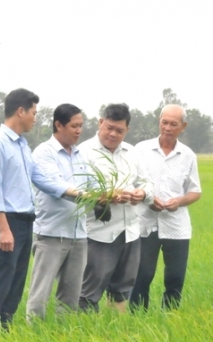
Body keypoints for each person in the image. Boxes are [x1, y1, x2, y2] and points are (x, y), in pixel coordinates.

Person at [0, 89, 83, 328]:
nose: (36, 118)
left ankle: (5, 329)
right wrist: (3, 229)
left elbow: (40, 178)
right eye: (34, 112)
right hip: (7, 222)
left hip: (25, 222)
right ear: (20, 111)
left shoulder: (22, 145)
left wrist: (81, 195)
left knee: (15, 282)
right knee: (1, 280)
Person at [78, 103, 154, 313]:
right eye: (109, 127)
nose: (113, 134)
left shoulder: (131, 152)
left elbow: (147, 183)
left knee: (121, 289)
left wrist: (142, 194)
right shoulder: (83, 152)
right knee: (88, 291)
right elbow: (75, 191)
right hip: (98, 233)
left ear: (127, 130)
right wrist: (107, 196)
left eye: (119, 131)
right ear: (100, 123)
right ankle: (85, 332)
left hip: (129, 232)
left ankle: (115, 331)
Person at [129, 104, 202, 311]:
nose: (167, 128)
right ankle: (137, 319)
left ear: (183, 126)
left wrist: (178, 201)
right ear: (159, 121)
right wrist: (148, 199)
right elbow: (131, 182)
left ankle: (170, 318)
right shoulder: (141, 149)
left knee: (175, 278)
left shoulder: (187, 155)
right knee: (141, 275)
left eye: (173, 124)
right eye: (164, 122)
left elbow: (195, 191)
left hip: (176, 226)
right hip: (144, 223)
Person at [25, 104, 89, 321]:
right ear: (58, 125)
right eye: (74, 126)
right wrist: (87, 196)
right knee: (40, 293)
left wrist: (108, 196)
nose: (78, 130)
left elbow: (91, 186)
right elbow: (54, 186)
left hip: (78, 234)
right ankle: (33, 333)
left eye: (81, 126)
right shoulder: (44, 152)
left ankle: (65, 332)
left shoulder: (80, 155)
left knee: (71, 295)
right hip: (51, 234)